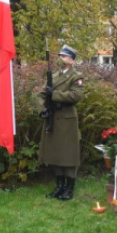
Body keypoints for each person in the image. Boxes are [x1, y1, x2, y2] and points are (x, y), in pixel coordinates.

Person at [38, 45, 85, 201]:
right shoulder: (54, 76)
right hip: (52, 118)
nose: (61, 59)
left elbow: (76, 95)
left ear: (71, 60)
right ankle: (60, 186)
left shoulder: (76, 76)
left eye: (64, 56)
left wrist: (56, 95)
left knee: (68, 155)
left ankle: (69, 188)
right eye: (60, 56)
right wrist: (42, 109)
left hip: (66, 121)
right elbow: (40, 94)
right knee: (55, 154)